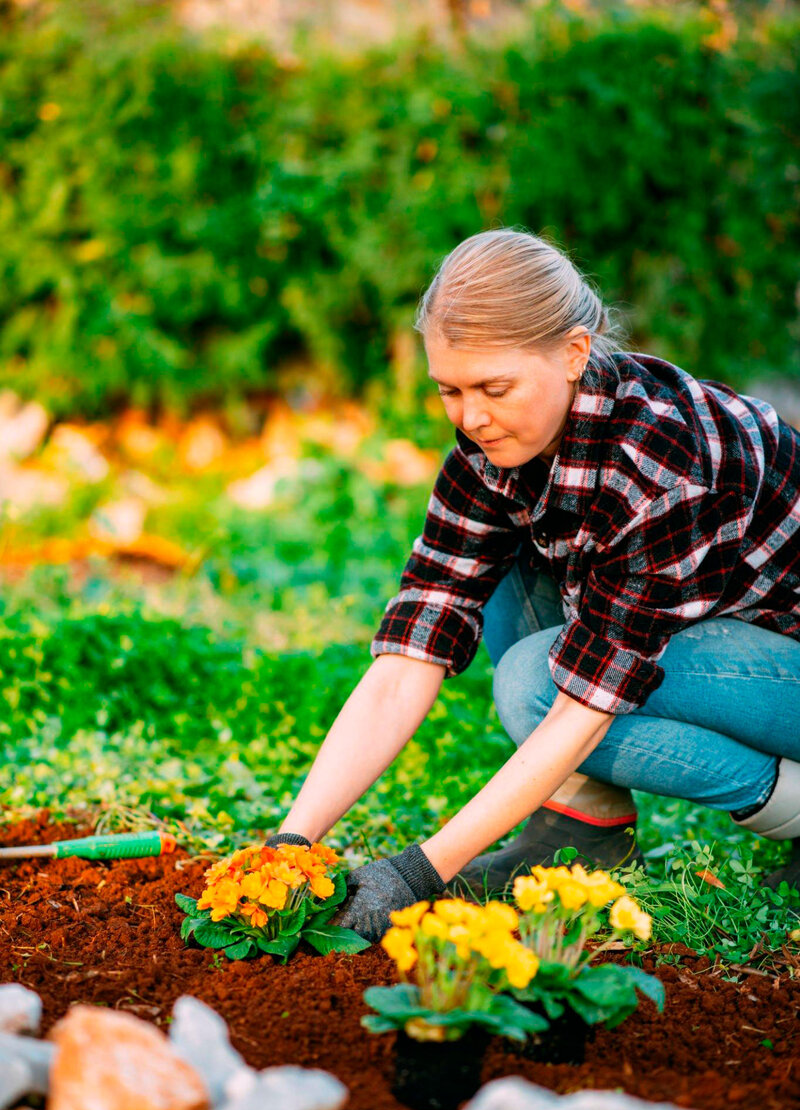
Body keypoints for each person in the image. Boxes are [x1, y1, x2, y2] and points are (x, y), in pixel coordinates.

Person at [266, 228, 800, 942]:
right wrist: (291, 846)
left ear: (574, 353)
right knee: (510, 557)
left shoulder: (660, 462)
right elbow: (410, 654)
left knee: (534, 685)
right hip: (723, 635)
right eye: (450, 390)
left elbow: (585, 701)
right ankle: (581, 828)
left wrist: (421, 872)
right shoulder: (495, 448)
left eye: (494, 388)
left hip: (783, 659)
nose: (471, 416)